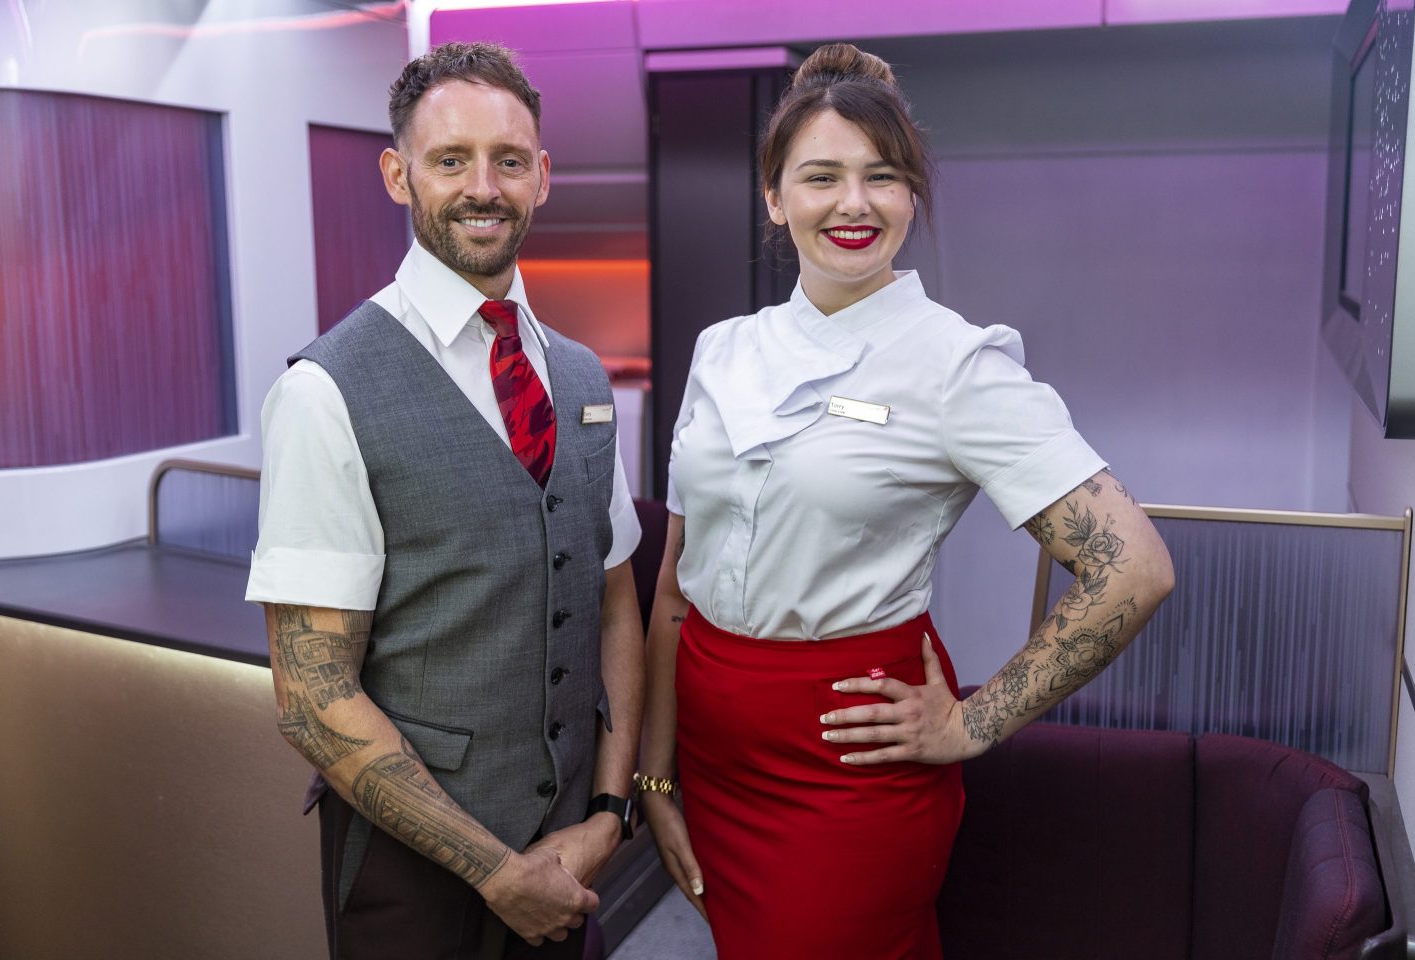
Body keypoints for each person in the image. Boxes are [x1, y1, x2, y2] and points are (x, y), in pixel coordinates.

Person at [636, 43, 1175, 960]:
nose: (854, 204)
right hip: (713, 759)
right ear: (774, 198)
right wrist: (656, 776)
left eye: (882, 177)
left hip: (847, 767)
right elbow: (677, 589)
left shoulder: (958, 366)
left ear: (911, 193)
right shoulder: (723, 351)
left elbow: (1135, 568)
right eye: (822, 177)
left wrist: (971, 721)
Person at [245, 42, 645, 960]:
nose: (484, 186)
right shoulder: (326, 391)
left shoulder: (580, 375)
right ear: (399, 175)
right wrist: (495, 871)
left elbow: (613, 597)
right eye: (450, 159)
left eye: (509, 160)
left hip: (564, 853)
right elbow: (311, 695)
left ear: (542, 178)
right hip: (410, 879)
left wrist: (610, 812)